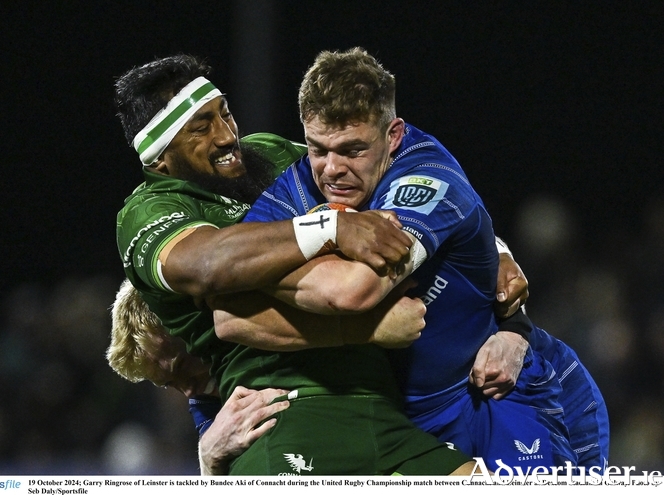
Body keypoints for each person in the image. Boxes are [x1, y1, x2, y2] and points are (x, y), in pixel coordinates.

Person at [114, 54, 479, 475]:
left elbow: (379, 173)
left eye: (225, 114)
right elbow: (206, 264)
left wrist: (487, 245)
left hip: (388, 405)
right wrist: (330, 228)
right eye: (201, 128)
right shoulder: (148, 212)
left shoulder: (266, 153)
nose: (226, 135)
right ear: (160, 159)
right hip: (289, 412)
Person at [235, 47, 594, 471]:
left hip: (495, 394)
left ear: (393, 136)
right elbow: (225, 309)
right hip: (402, 422)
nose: (332, 169)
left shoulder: (424, 177)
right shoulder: (293, 187)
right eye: (318, 148)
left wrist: (273, 262)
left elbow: (355, 290)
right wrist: (318, 237)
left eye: (352, 150)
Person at [107, 277, 290, 475]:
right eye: (169, 384)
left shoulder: (269, 322)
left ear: (192, 323)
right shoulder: (203, 403)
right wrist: (207, 458)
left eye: (183, 365)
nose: (188, 391)